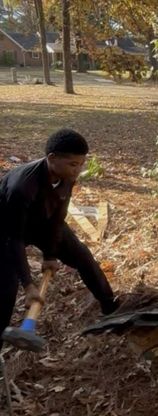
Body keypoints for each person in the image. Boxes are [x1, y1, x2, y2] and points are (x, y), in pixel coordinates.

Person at [0, 129, 118, 346]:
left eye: (81, 164)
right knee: (5, 289)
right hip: (8, 230)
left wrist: (50, 254)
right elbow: (15, 239)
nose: (79, 170)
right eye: (74, 164)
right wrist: (28, 285)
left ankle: (112, 308)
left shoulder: (66, 175)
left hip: (43, 224)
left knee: (84, 258)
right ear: (52, 159)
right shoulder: (22, 187)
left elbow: (58, 216)